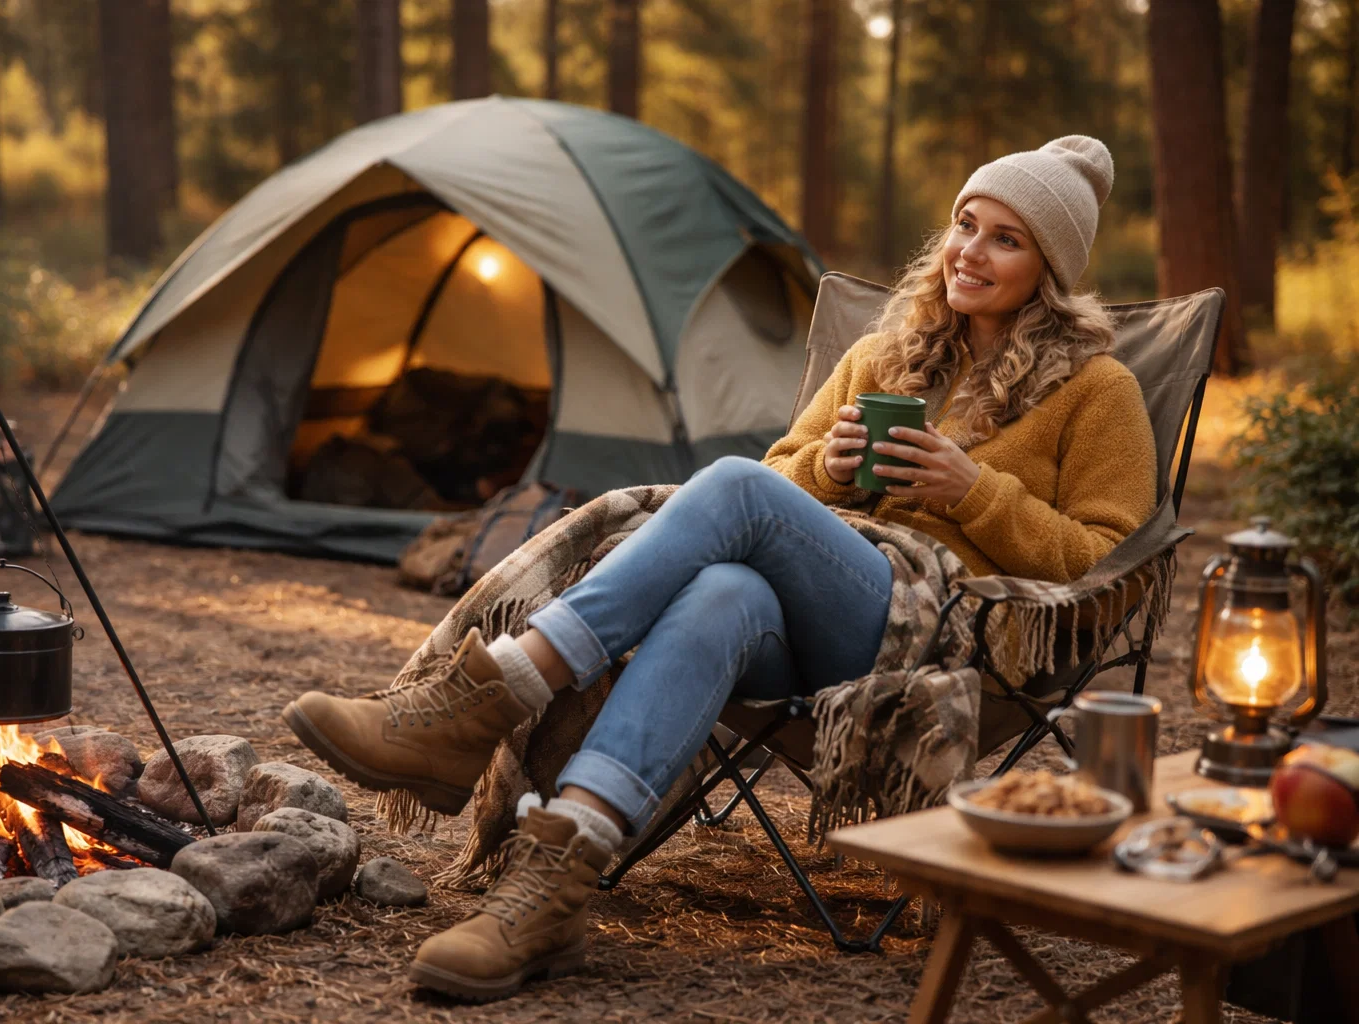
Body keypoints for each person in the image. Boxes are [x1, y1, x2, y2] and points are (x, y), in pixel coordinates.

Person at [282, 136, 1157, 1002]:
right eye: (967, 224)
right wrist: (830, 472)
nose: (971, 250)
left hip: (943, 635)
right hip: (813, 618)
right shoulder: (886, 356)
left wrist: (975, 494)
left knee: (732, 488)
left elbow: (1106, 562)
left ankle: (495, 691)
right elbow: (784, 476)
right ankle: (555, 884)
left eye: (1007, 238)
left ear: (1050, 268)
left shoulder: (1097, 389)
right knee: (720, 592)